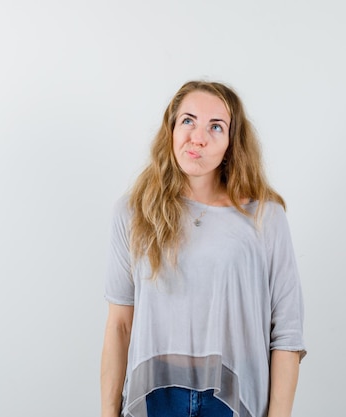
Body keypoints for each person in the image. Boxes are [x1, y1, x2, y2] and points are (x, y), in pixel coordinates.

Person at [100, 81, 306, 417]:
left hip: (232, 400)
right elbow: (120, 324)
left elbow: (286, 334)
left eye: (216, 127)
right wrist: (108, 413)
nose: (198, 137)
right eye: (188, 121)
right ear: (171, 128)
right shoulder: (134, 212)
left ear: (231, 142)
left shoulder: (265, 217)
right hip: (155, 397)